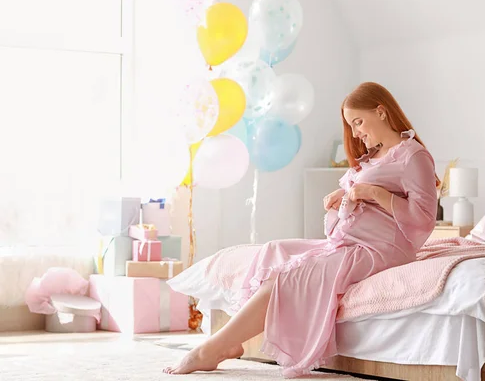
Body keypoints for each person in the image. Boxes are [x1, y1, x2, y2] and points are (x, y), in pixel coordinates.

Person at [164, 82, 440, 377]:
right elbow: (365, 194)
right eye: (351, 125)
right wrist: (342, 196)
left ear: (381, 112)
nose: (356, 132)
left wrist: (372, 193)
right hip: (349, 243)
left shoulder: (413, 156)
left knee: (288, 278)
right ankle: (231, 343)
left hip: (381, 250)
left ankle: (210, 350)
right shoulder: (375, 156)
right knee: (275, 251)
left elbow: (424, 219)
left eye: (358, 122)